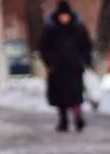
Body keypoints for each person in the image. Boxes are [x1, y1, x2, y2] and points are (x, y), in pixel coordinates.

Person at [39, 1, 92, 132]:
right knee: (60, 96)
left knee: (75, 96)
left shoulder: (78, 28)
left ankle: (78, 117)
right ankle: (63, 121)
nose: (64, 18)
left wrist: (83, 61)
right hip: (57, 68)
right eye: (62, 16)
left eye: (66, 16)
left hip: (74, 67)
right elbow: (43, 47)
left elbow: (87, 46)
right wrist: (49, 62)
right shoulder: (51, 29)